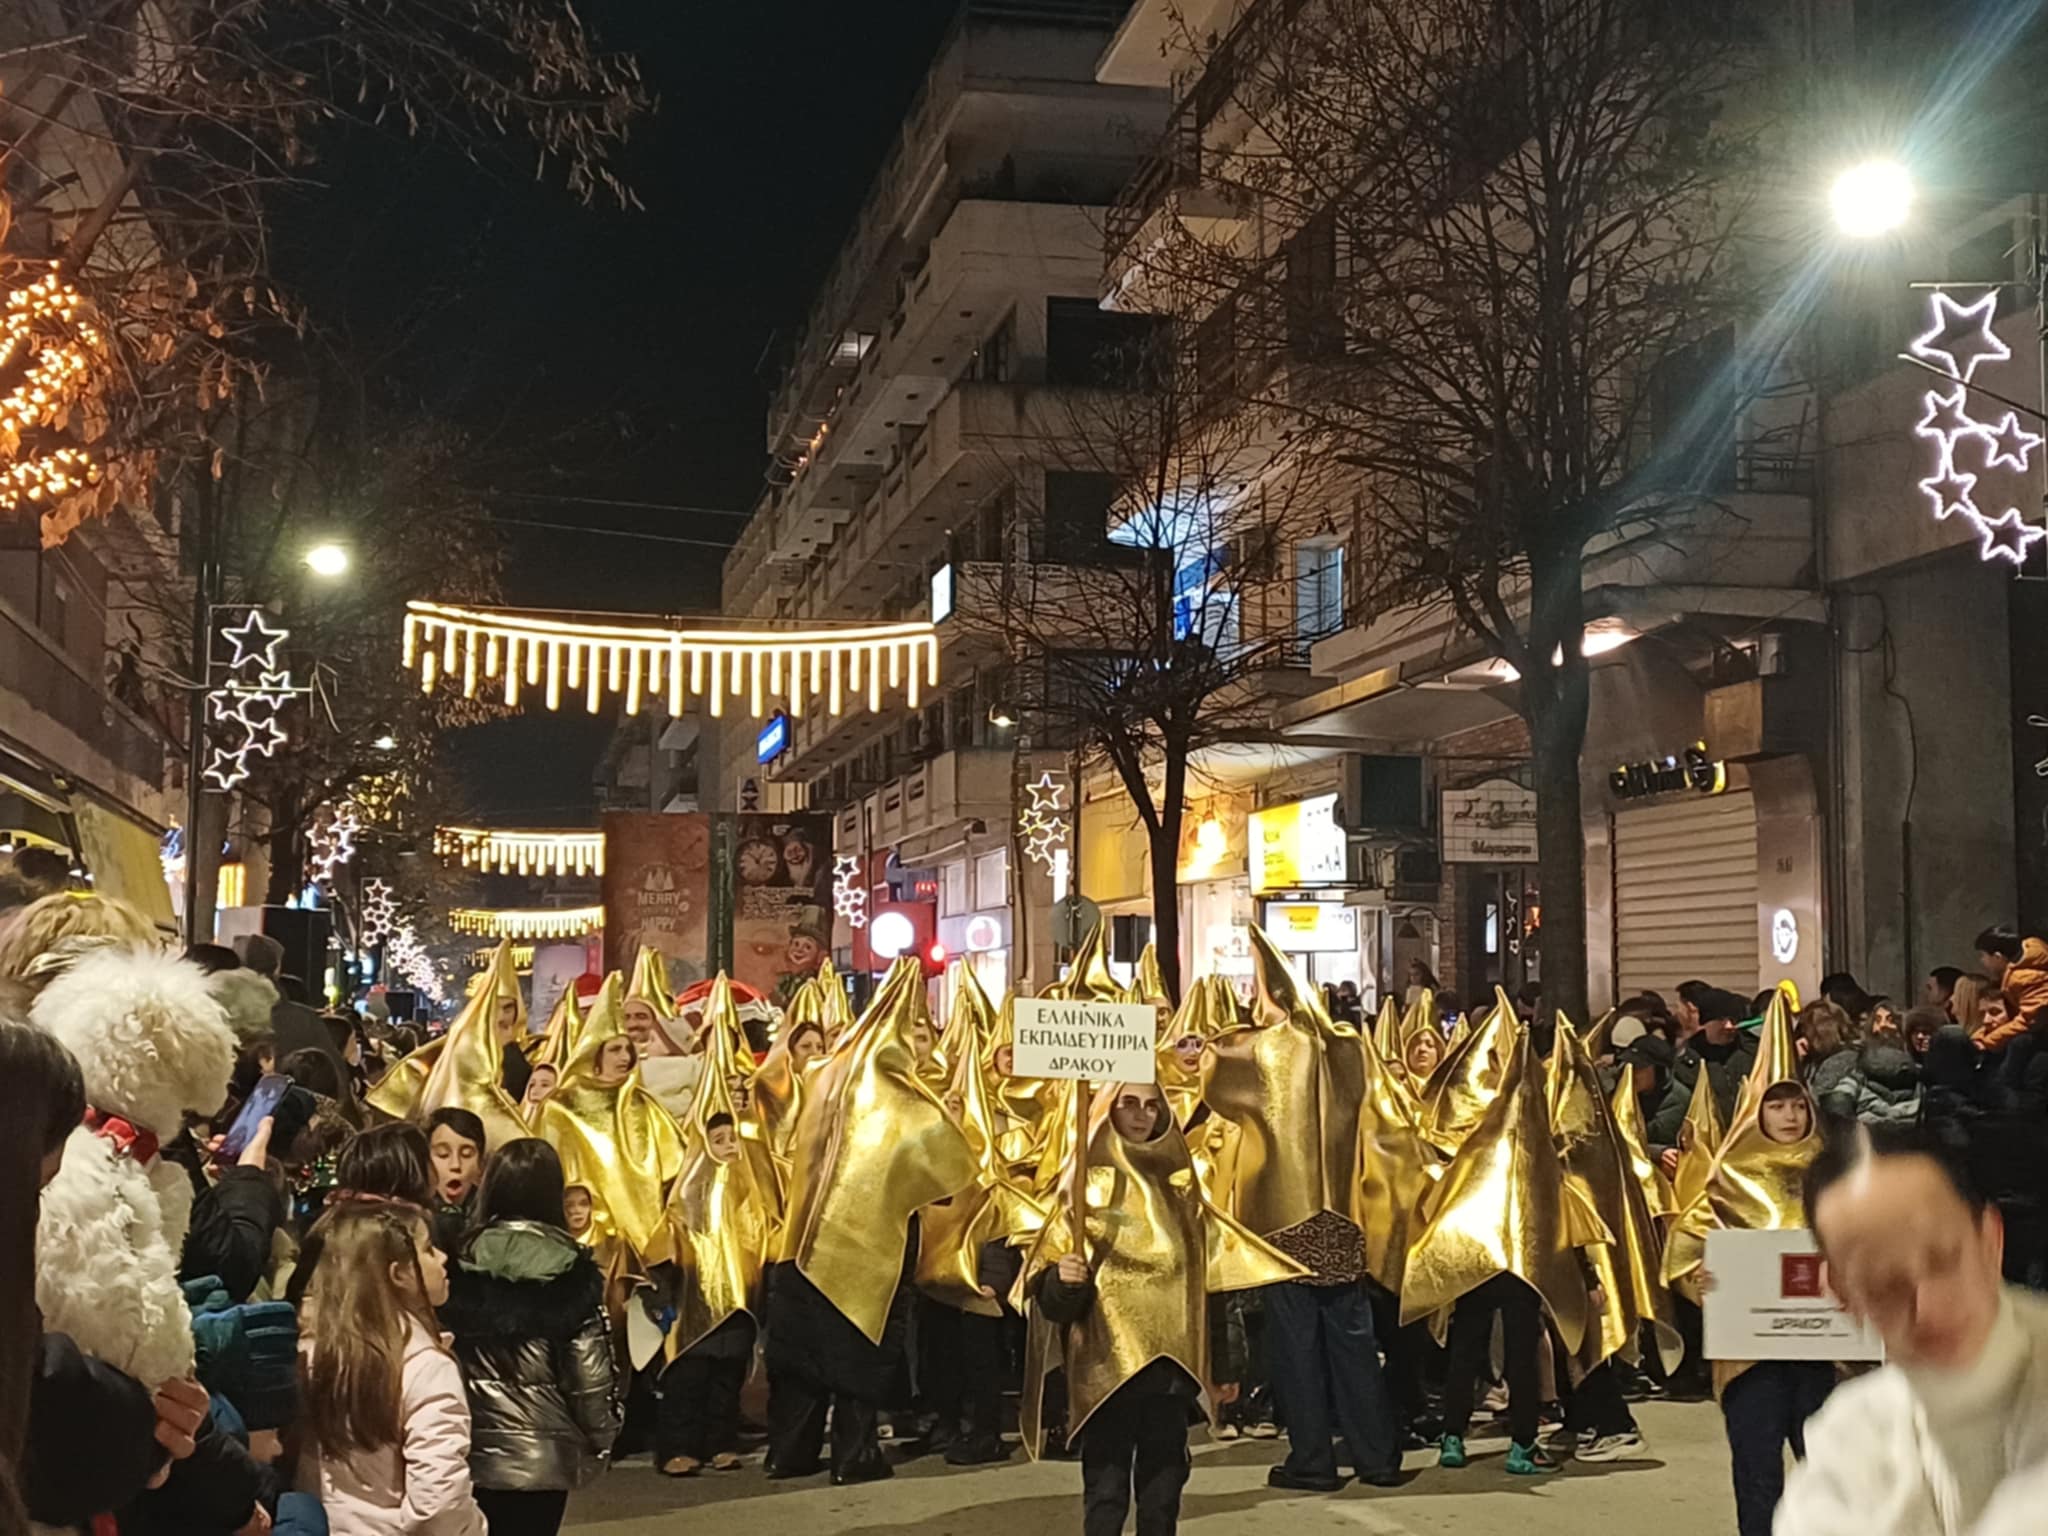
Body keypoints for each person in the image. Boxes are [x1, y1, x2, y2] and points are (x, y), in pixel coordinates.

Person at [1022, 1081, 1302, 1536]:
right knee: (1106, 1493)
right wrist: (1062, 1279)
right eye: (1128, 1103)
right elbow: (1055, 1306)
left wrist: (1225, 1364)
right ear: (1109, 1110)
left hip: (1170, 1375)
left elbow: (1212, 1285)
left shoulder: (1183, 1189)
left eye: (1152, 1106)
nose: (1141, 1114)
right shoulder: (1083, 1191)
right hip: (1105, 1372)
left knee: (1163, 1492)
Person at [1203, 928, 1403, 1492]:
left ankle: (1313, 1458)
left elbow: (1214, 1077)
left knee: (1297, 1351)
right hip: (1341, 1222)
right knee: (1354, 1348)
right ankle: (1377, 1457)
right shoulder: (1345, 1047)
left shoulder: (1264, 1046)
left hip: (1286, 1226)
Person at [1776, 1123, 2048, 1536]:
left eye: (1943, 1260)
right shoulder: (1849, 1438)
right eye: (1884, 1286)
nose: (1929, 1309)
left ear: (1991, 1240)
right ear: (1841, 1293)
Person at [438, 1139, 619, 1536]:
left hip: (468, 1448)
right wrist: (601, 1437)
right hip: (543, 1457)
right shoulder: (571, 1266)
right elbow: (589, 1376)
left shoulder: (456, 1259)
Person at [296, 1201, 486, 1535]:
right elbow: (437, 1505)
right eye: (428, 1250)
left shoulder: (307, 1352)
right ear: (398, 1273)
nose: (442, 1258)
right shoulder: (424, 1367)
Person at [653, 1099, 766, 1478]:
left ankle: (721, 1442)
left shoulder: (752, 1189)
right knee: (690, 1376)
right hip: (694, 1299)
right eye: (718, 1140)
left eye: (733, 1138)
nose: (730, 1146)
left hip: (736, 1299)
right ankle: (678, 1447)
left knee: (727, 1375)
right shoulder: (684, 1196)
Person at [1647, 986, 1758, 1169]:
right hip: (1707, 1159)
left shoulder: (1753, 1053)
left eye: (1733, 1019)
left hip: (1750, 1152)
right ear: (1706, 1022)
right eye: (1721, 1020)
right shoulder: (1686, 1063)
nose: (1729, 1026)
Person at [427, 1108, 487, 1256]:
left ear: (480, 1164)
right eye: (443, 1154)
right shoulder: (415, 1219)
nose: (455, 1165)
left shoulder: (491, 1217)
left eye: (466, 1155)